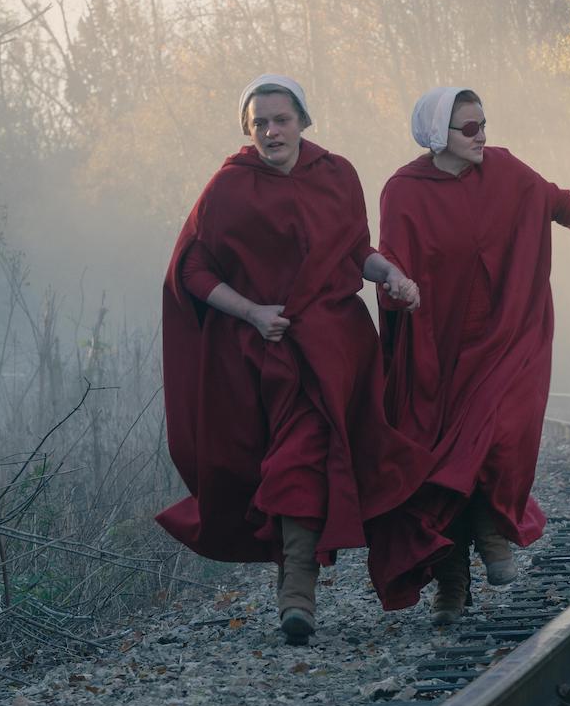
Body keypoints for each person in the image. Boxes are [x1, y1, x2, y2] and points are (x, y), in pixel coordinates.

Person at [157, 74, 426, 646]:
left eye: (281, 119)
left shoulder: (338, 175)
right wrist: (252, 311)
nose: (272, 131)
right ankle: (297, 587)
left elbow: (356, 254)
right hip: (263, 356)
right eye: (260, 123)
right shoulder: (229, 188)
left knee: (314, 455)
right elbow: (193, 271)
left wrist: (395, 276)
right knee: (292, 458)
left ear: (304, 120)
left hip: (338, 348)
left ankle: (298, 590)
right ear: (247, 129)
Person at [367, 87, 570, 623]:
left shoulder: (506, 170)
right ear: (435, 135)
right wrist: (397, 286)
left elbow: (555, 200)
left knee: (497, 434)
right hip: (436, 347)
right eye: (468, 129)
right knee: (439, 462)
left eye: (483, 125)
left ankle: (493, 530)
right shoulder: (403, 190)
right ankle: (451, 582)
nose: (482, 136)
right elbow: (393, 259)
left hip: (503, 335)